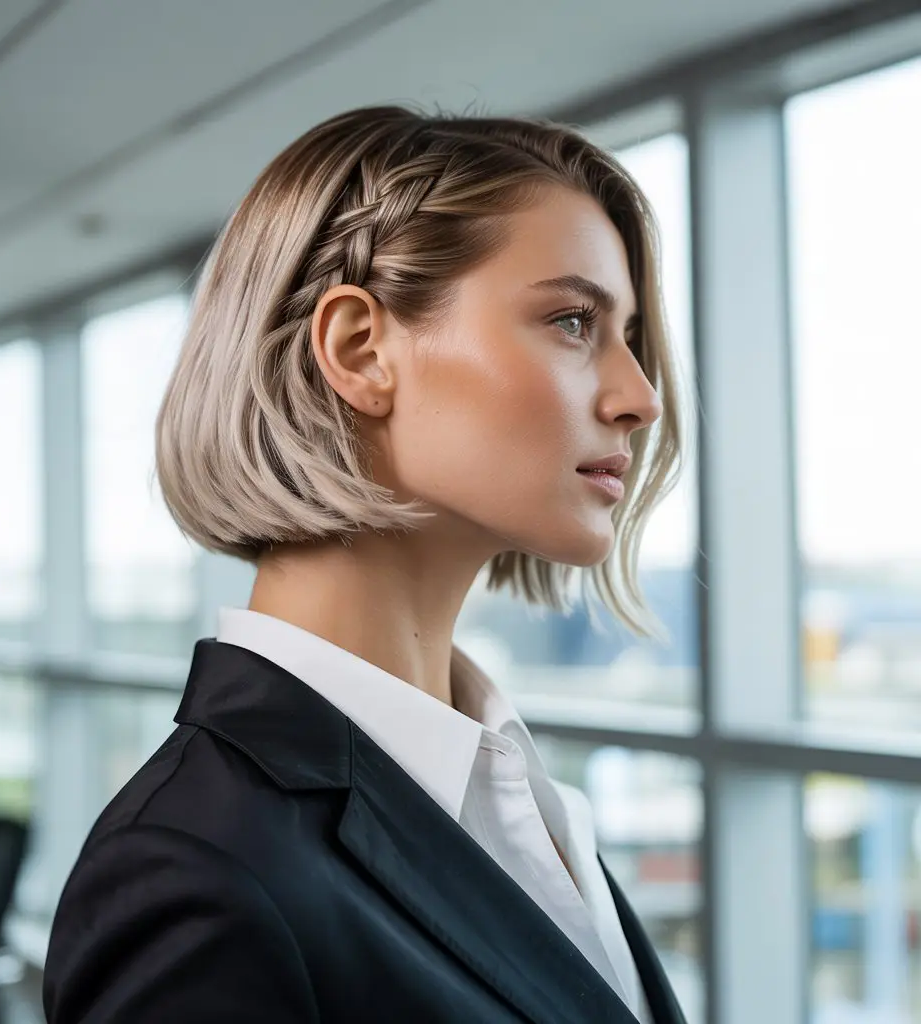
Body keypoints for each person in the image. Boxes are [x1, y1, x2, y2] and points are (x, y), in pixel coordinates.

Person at [43, 105, 686, 1024]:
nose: (639, 397)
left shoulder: (520, 804)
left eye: (627, 337)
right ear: (359, 350)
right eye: (573, 320)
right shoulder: (195, 874)